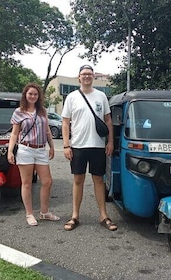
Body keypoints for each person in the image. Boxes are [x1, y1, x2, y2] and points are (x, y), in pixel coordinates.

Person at [61, 65, 117, 231]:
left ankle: (103, 215)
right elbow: (65, 122)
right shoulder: (71, 97)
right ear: (79, 77)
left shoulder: (101, 96)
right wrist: (65, 145)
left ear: (93, 77)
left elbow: (108, 120)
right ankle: (75, 216)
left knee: (99, 180)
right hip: (78, 145)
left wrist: (110, 142)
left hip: (98, 145)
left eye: (89, 74)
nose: (86, 76)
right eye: (83, 74)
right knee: (78, 180)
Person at [7, 82, 59, 226]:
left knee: (47, 181)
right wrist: (10, 151)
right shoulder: (19, 112)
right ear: (25, 95)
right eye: (30, 93)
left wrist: (52, 146)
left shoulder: (42, 111)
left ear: (39, 96)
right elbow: (14, 133)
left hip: (41, 149)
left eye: (35, 94)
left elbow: (47, 130)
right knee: (27, 183)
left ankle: (44, 212)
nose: (33, 96)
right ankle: (29, 213)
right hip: (26, 149)